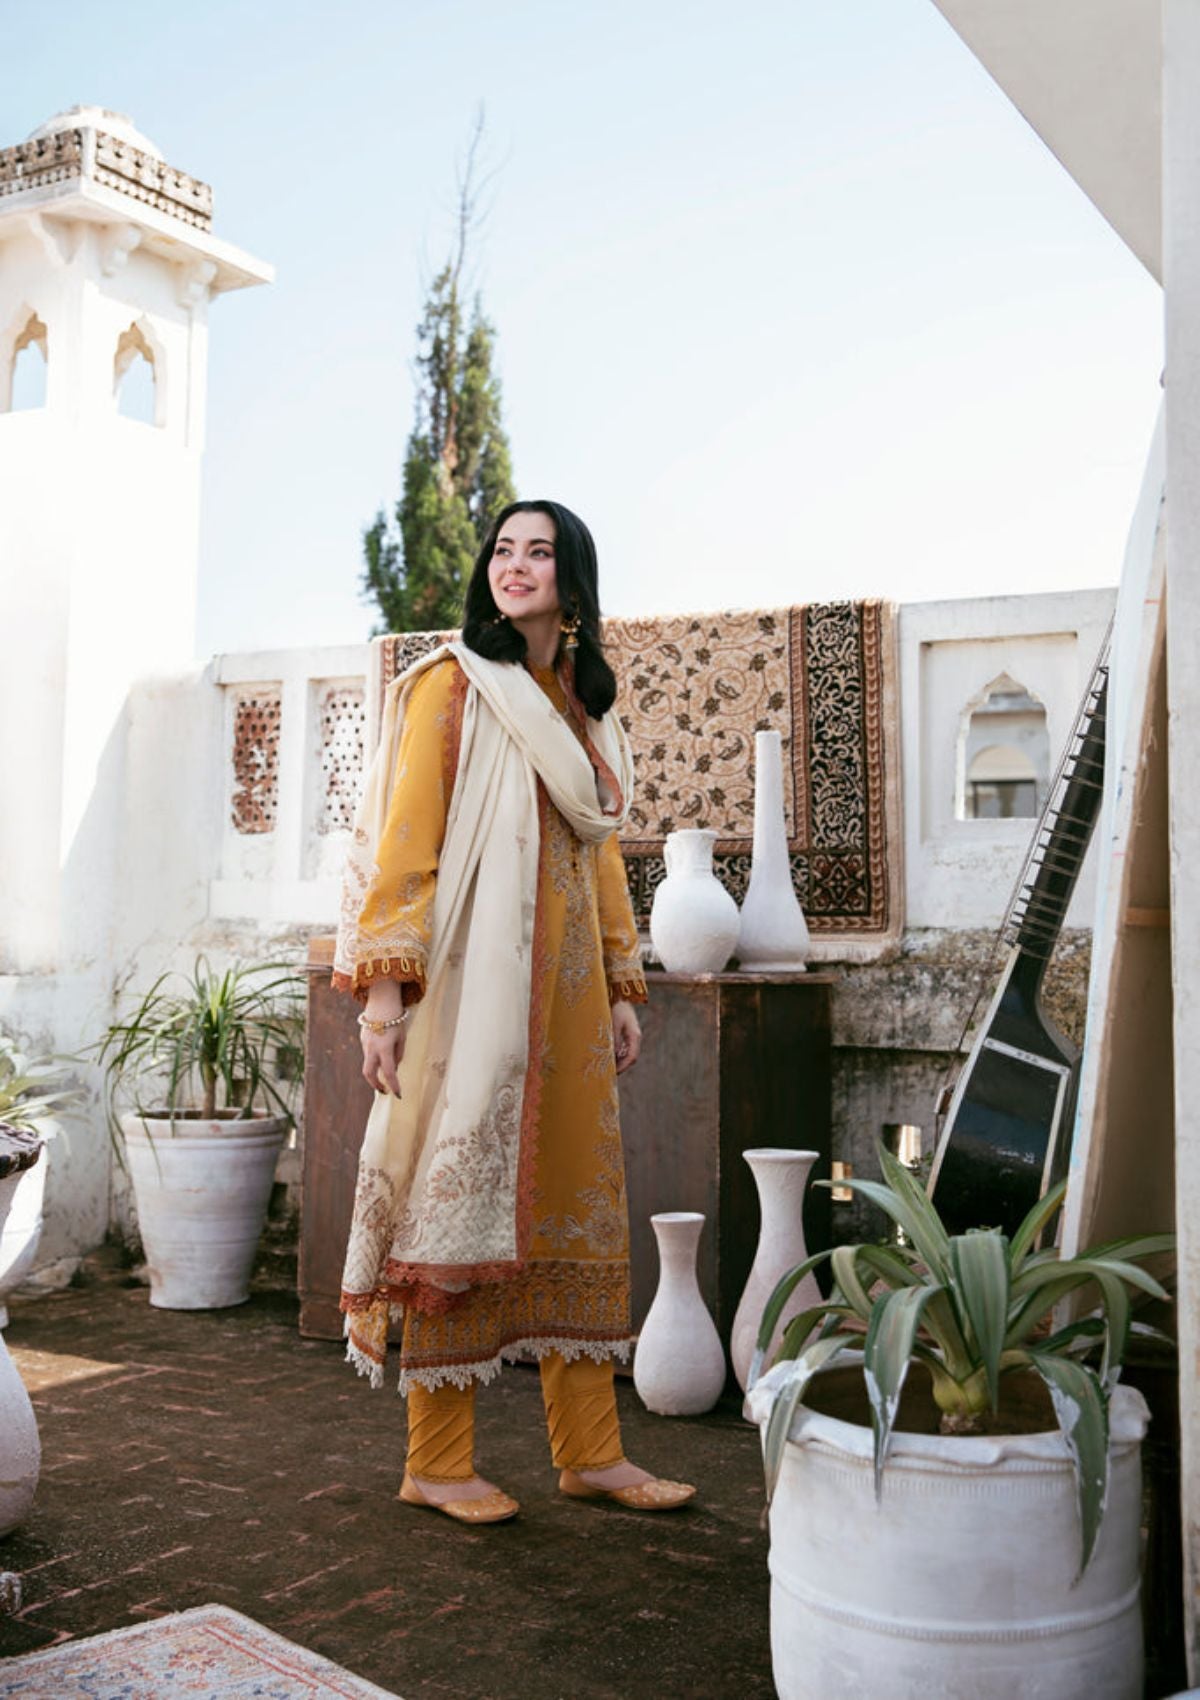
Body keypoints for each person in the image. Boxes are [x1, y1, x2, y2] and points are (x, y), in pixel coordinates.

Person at [333, 499, 696, 1524]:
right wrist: (385, 996)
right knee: (458, 1209)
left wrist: (620, 982)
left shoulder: (584, 706)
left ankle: (591, 1453)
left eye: (539, 551)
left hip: (569, 1006)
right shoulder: (454, 685)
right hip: (472, 994)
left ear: (572, 582)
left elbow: (601, 857)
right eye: (504, 549)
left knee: (575, 1212)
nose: (516, 564)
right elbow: (407, 841)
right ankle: (437, 1460)